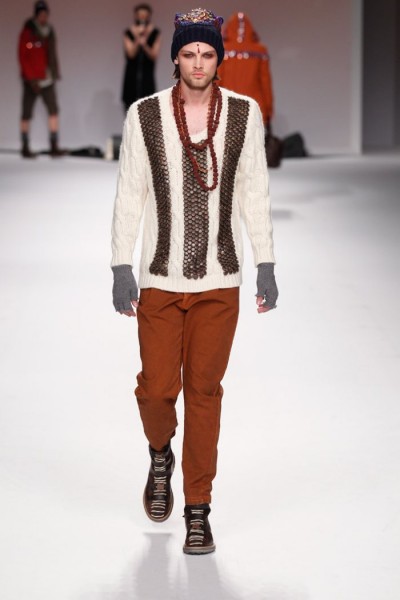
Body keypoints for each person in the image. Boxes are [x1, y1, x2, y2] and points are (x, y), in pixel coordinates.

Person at [111, 7, 278, 555]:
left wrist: (266, 262)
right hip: (159, 278)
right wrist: (120, 265)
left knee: (204, 394)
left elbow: (254, 190)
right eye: (189, 53)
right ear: (176, 57)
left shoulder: (244, 114)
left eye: (208, 53)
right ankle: (161, 453)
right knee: (158, 390)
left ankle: (198, 510)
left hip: (220, 280)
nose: (199, 62)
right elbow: (130, 190)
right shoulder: (145, 115)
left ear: (218, 58)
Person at [18, 0, 63, 158]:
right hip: (31, 79)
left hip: (47, 78)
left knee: (53, 110)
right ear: (36, 15)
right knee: (26, 112)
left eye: (45, 14)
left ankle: (54, 145)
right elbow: (23, 56)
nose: (44, 17)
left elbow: (52, 54)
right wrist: (31, 78)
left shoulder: (49, 31)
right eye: (41, 15)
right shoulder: (28, 31)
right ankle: (25, 146)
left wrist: (55, 72)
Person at [218, 12, 274, 127]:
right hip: (255, 108)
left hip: (227, 107)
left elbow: (217, 80)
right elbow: (265, 82)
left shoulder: (222, 49)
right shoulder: (260, 51)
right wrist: (269, 109)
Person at [121, 4, 161, 112]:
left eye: (145, 15)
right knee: (130, 111)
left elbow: (154, 55)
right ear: (135, 16)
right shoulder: (129, 32)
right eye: (140, 15)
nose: (142, 18)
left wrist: (145, 44)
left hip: (147, 78)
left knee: (148, 112)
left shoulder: (155, 33)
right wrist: (138, 39)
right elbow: (130, 54)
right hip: (131, 78)